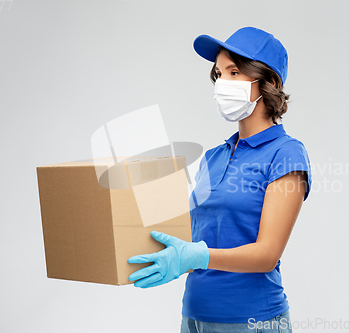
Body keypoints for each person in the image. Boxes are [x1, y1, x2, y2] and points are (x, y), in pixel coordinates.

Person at [127, 27, 312, 332]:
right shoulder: (213, 157)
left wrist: (197, 256)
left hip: (252, 322)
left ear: (270, 82)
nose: (223, 83)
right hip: (194, 317)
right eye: (219, 73)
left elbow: (267, 254)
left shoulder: (286, 153)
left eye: (234, 72)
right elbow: (188, 237)